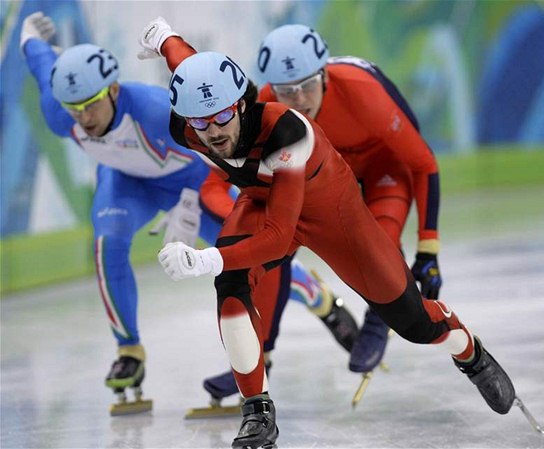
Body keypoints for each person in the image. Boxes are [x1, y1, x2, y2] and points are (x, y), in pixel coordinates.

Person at [138, 17, 516, 449]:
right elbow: (186, 64)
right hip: (262, 198)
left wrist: (207, 257)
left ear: (242, 103)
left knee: (413, 322)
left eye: (223, 115)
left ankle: (469, 351)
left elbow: (281, 237)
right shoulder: (187, 125)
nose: (215, 131)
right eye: (201, 123)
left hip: (331, 214)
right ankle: (257, 413)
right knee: (231, 282)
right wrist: (166, 37)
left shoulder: (287, 130)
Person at [20, 12, 358, 415]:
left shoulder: (154, 112)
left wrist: (187, 208)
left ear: (112, 90)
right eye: (74, 110)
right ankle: (129, 348)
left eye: (91, 106)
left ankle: (317, 297)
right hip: (128, 181)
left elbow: (216, 157)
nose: (84, 119)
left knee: (252, 253)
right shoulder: (62, 112)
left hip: (193, 180)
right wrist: (28, 39)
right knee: (107, 242)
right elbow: (43, 66)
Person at [256, 24, 443, 375]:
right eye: (286, 91)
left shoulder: (361, 91)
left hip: (380, 165)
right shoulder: (263, 104)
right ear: (271, 89)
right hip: (321, 176)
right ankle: (258, 351)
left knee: (379, 242)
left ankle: (379, 317)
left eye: (308, 85)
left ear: (325, 75)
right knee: (268, 252)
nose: (298, 100)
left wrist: (428, 247)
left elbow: (423, 163)